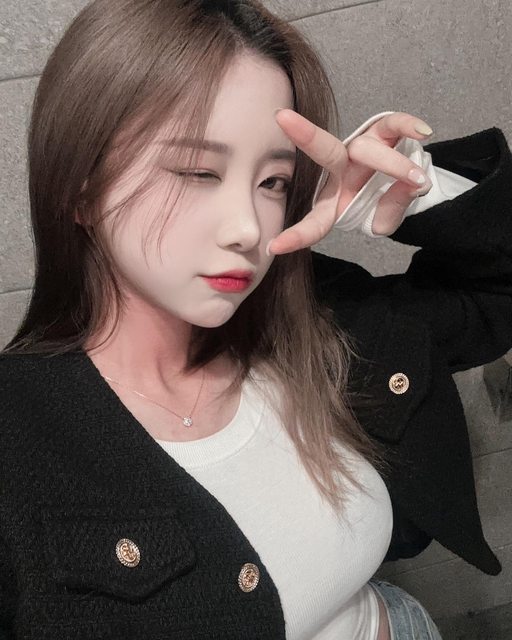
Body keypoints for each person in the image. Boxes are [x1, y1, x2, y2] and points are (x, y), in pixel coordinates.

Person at [0, 1, 511, 638]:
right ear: (81, 185)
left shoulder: (314, 313)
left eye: (273, 182)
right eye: (198, 171)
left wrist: (418, 193)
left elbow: (494, 297)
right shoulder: (19, 436)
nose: (247, 228)